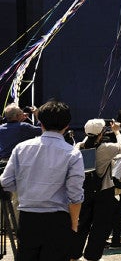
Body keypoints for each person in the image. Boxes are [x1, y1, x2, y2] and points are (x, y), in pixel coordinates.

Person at [0, 100, 84, 261]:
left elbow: (6, 182)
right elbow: (75, 195)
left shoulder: (21, 148)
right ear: (67, 125)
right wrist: (74, 224)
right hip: (58, 219)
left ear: (41, 123)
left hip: (27, 218)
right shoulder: (73, 154)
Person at [71, 118, 121, 261]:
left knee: (82, 223)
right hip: (104, 191)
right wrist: (116, 131)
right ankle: (92, 255)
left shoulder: (79, 147)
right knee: (100, 226)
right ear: (101, 133)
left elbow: (88, 140)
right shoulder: (106, 148)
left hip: (84, 190)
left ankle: (74, 253)